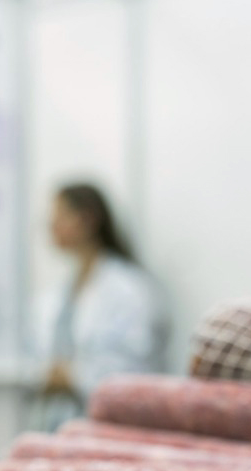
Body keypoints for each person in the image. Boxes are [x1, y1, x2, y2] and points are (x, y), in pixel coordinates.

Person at [35, 183, 168, 427]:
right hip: (67, 421)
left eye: (61, 215)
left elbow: (135, 369)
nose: (51, 225)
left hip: (116, 424)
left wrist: (72, 377)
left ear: (88, 219)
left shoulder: (129, 290)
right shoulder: (63, 290)